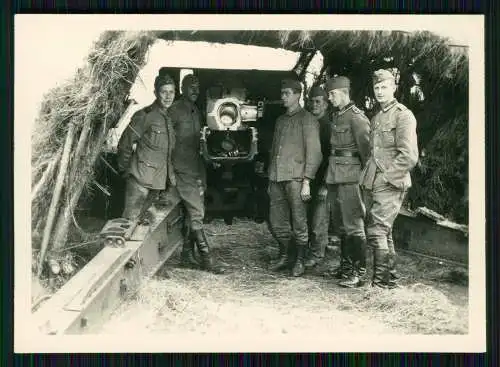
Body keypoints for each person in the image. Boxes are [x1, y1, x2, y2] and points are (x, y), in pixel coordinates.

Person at [359, 69, 419, 289]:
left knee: (376, 231)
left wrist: (387, 177)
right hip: (373, 180)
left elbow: (409, 155)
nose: (380, 92)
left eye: (384, 87)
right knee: (384, 231)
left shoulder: (403, 115)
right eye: (376, 88)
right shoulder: (377, 117)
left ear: (394, 88)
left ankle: (380, 285)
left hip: (391, 182)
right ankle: (390, 281)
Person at [168, 74, 224, 274]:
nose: (195, 91)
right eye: (191, 87)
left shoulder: (198, 112)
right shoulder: (174, 111)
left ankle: (186, 255)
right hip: (182, 170)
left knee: (191, 213)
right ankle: (207, 258)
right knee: (196, 213)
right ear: (183, 89)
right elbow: (167, 144)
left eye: (197, 88)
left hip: (197, 169)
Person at [267, 78, 322, 277]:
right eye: (282, 93)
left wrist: (307, 180)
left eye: (287, 93)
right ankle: (285, 254)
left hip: (296, 180)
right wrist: (270, 177)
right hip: (277, 178)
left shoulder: (307, 120)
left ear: (298, 95)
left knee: (299, 222)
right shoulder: (280, 120)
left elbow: (315, 152)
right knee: (277, 221)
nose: (283, 97)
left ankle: (299, 259)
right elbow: (275, 151)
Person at [324, 76, 371, 288]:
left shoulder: (357, 118)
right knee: (341, 225)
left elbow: (366, 154)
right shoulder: (337, 116)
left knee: (354, 226)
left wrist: (362, 180)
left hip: (351, 177)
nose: (329, 97)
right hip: (335, 175)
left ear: (343, 92)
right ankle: (346, 268)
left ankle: (359, 273)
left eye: (332, 94)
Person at [117, 72, 176, 224]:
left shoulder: (168, 118)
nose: (168, 96)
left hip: (157, 182)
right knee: (129, 223)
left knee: (144, 227)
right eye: (164, 92)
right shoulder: (145, 115)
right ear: (155, 93)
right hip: (140, 181)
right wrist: (125, 170)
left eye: (171, 92)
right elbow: (125, 143)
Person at [303, 86, 331, 269]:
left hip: (322, 181)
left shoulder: (328, 127)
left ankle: (318, 255)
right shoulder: (308, 123)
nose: (314, 105)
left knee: (318, 221)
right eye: (312, 101)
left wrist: (325, 185)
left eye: (318, 102)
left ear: (326, 105)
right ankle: (308, 252)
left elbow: (331, 158)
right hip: (309, 180)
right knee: (308, 218)